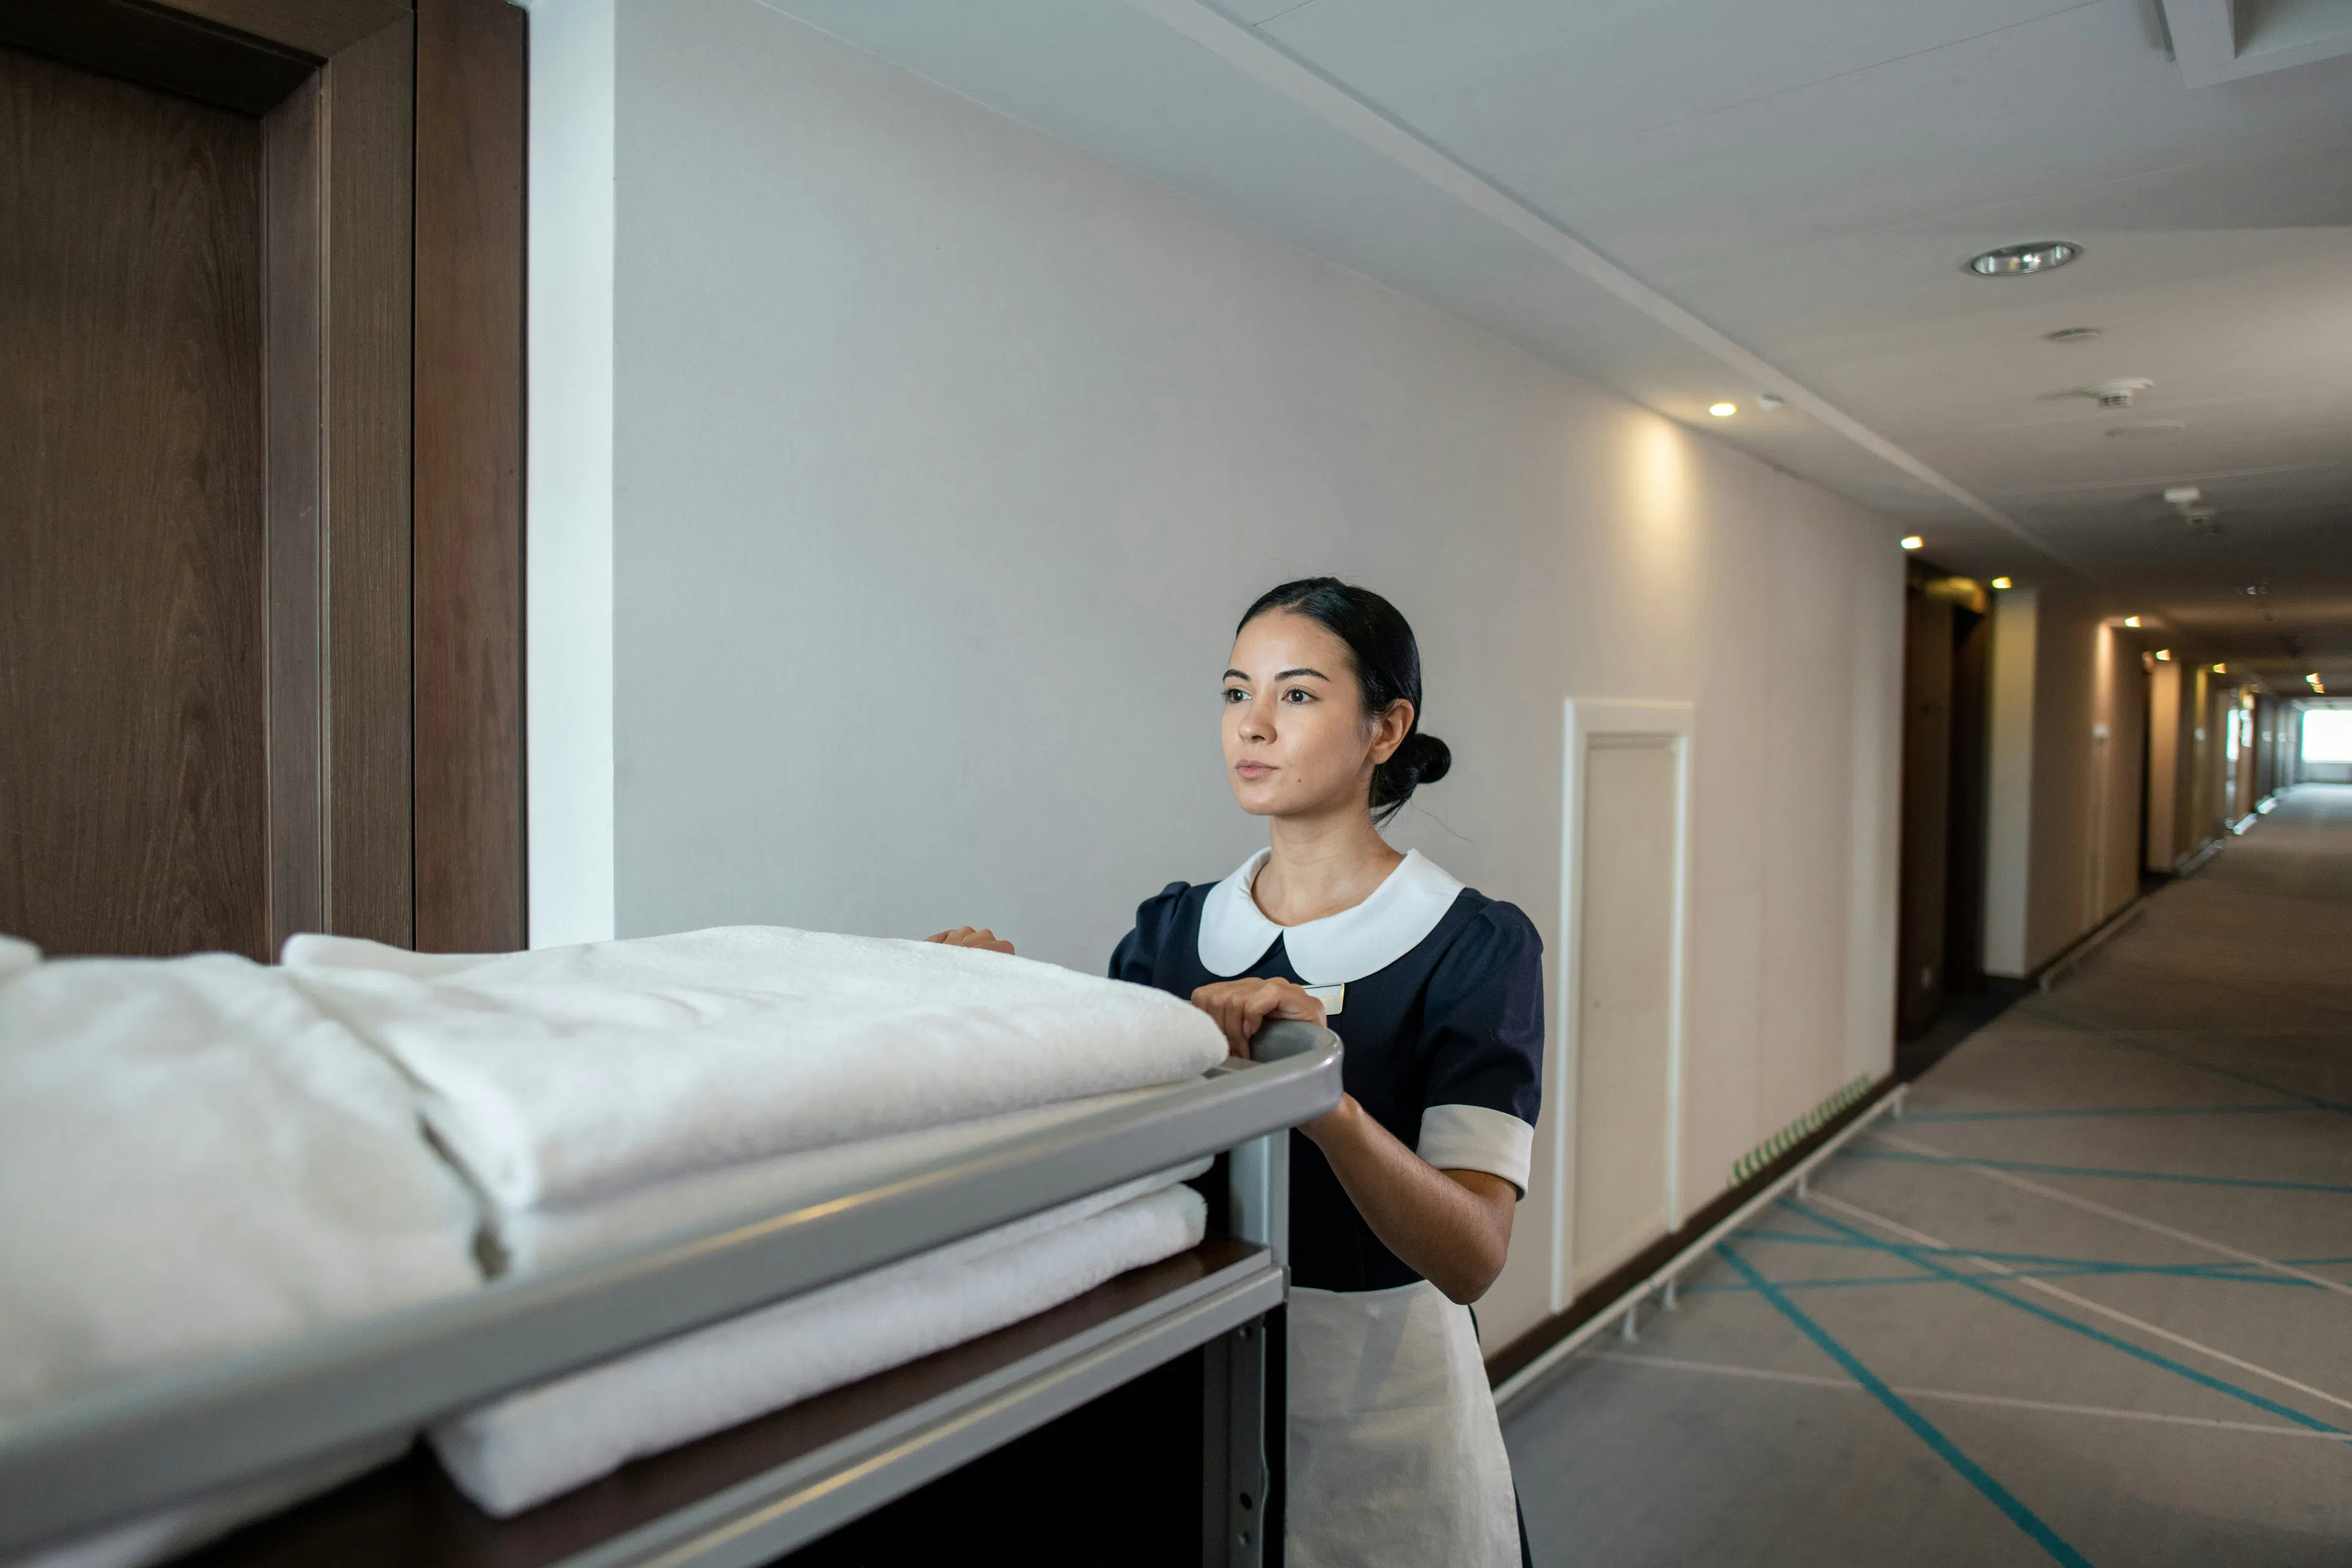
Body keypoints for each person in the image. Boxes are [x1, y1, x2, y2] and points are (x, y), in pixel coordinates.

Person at [930, 578, 1541, 1567]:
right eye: (1233, 694)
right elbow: (1110, 1142)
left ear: (1386, 729)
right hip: (1197, 1368)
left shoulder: (1470, 946)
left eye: (1296, 696)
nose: (1251, 727)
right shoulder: (1174, 930)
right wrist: (1002, 1005)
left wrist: (1317, 1096)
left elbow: (1472, 1255)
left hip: (1384, 1405)